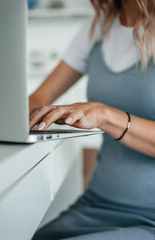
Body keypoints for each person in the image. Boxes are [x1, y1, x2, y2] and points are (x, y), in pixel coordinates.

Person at [30, 0, 155, 239]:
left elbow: (103, 116)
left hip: (150, 217)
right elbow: (40, 96)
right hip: (94, 205)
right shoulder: (98, 28)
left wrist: (104, 115)